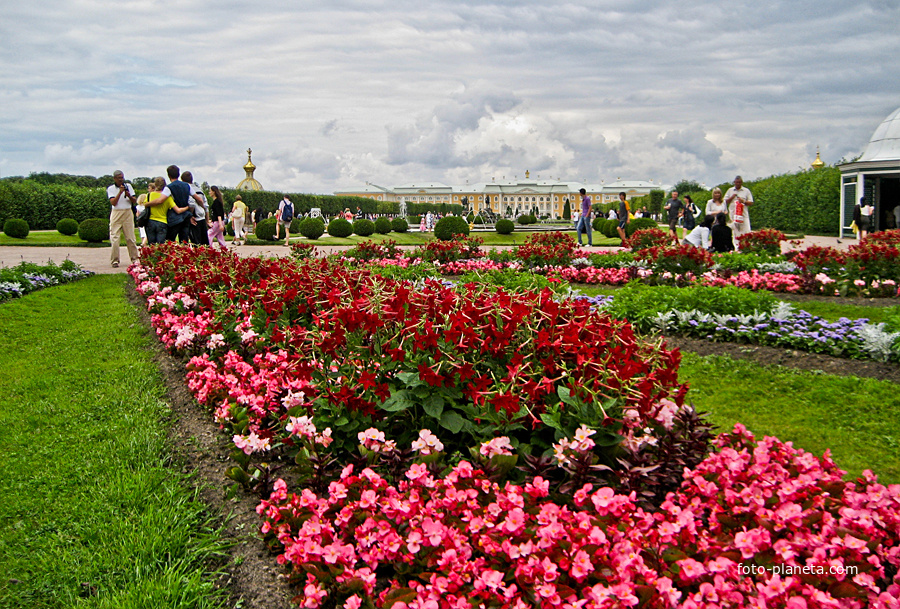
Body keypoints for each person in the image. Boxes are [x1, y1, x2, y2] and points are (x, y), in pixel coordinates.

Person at [106, 170, 139, 268]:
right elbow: (113, 202)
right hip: (117, 212)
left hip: (127, 212)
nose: (121, 180)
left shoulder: (128, 186)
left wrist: (128, 194)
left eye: (122, 178)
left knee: (130, 238)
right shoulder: (111, 189)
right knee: (115, 238)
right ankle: (115, 260)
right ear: (115, 178)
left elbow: (134, 200)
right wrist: (120, 193)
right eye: (119, 178)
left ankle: (135, 259)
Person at [143, 176, 191, 244]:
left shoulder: (149, 195)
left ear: (155, 185)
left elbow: (144, 205)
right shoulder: (168, 198)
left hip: (150, 221)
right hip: (162, 221)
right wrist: (187, 207)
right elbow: (178, 210)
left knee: (151, 244)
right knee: (161, 245)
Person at [153, 165, 194, 243]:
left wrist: (148, 203)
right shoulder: (187, 185)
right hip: (186, 216)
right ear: (179, 174)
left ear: (169, 175)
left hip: (174, 217)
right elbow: (198, 199)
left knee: (170, 240)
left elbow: (160, 200)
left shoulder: (169, 187)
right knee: (184, 240)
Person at [725, 175, 753, 247]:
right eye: (736, 182)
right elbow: (725, 201)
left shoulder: (746, 191)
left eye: (739, 182)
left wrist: (743, 201)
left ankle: (746, 245)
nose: (738, 184)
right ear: (734, 182)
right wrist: (732, 197)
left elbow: (751, 202)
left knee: (746, 231)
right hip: (733, 216)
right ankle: (736, 246)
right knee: (735, 232)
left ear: (741, 183)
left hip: (743, 215)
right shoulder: (730, 190)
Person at [182, 171, 209, 246]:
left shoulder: (188, 190)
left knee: (196, 243)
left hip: (194, 218)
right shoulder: (200, 190)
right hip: (202, 218)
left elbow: (191, 203)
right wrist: (207, 220)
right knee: (205, 242)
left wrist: (190, 214)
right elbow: (206, 207)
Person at [134, 181, 154, 247]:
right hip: (147, 220)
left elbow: (137, 214)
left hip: (141, 221)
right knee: (147, 234)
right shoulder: (146, 205)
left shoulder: (138, 207)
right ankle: (144, 243)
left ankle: (143, 245)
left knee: (142, 234)